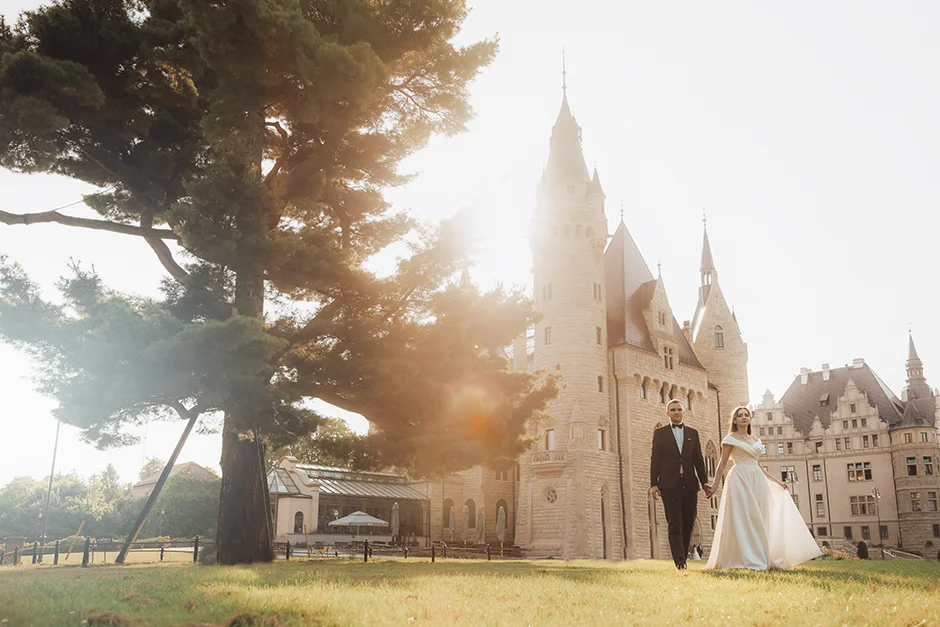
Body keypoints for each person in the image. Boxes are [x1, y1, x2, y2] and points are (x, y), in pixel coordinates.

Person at [704, 405, 822, 571]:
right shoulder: (730, 439)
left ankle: (760, 555)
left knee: (760, 517)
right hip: (739, 479)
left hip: (757, 479)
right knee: (744, 517)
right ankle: (745, 557)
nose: (744, 417)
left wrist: (777, 482)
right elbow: (722, 464)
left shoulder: (754, 440)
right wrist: (715, 486)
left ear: (750, 419)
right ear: (735, 420)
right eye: (740, 415)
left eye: (746, 415)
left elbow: (758, 466)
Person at [650, 399, 712, 570]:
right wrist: (653, 483)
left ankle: (683, 557)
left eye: (679, 409)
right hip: (669, 484)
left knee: (689, 522)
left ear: (684, 412)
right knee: (674, 523)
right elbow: (655, 459)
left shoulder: (693, 433)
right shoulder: (660, 433)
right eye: (673, 410)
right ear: (667, 413)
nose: (676, 412)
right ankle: (679, 562)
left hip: (689, 484)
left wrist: (704, 482)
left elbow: (698, 460)